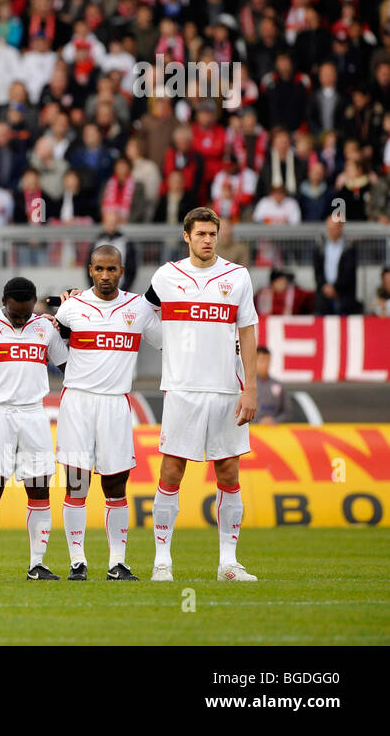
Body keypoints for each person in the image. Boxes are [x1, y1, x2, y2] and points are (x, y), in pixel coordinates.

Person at [142, 207, 259, 582]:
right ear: (186, 236)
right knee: (172, 470)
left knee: (228, 470)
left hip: (227, 390)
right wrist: (169, 346)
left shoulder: (237, 276)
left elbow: (248, 332)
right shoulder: (166, 276)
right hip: (182, 390)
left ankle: (228, 563)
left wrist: (251, 387)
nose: (208, 240)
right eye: (201, 234)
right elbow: (139, 314)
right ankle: (163, 561)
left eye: (213, 233)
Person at [54, 245, 162, 580]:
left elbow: (168, 342)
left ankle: (117, 562)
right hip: (77, 403)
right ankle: (77, 562)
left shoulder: (139, 308)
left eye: (111, 270)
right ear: (90, 270)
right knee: (76, 484)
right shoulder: (71, 307)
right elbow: (43, 339)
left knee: (116, 485)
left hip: (116, 404)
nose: (105, 276)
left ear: (122, 270)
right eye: (99, 269)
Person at [0, 277, 70, 580]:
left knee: (40, 489)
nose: (21, 319)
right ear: (4, 301)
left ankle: (37, 564)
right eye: (16, 313)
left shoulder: (44, 327)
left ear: (33, 304)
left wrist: (67, 322)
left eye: (26, 312)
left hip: (34, 415)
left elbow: (69, 366)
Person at [313, 215, 359, 315]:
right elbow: (318, 270)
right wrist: (324, 286)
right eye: (329, 228)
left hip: (344, 294)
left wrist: (336, 287)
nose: (331, 231)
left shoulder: (349, 247)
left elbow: (349, 272)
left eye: (334, 228)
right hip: (324, 293)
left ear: (341, 227)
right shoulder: (320, 247)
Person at [254, 346, 291, 424]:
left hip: (274, 431)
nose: (265, 364)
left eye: (267, 360)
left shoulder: (278, 385)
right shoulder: (247, 385)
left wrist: (276, 420)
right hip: (252, 430)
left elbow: (287, 411)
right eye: (262, 360)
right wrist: (257, 421)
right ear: (254, 361)